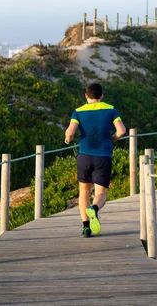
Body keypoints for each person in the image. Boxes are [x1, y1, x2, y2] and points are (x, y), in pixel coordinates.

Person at [64, 83, 126, 238]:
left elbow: (70, 133)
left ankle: (86, 228)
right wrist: (112, 139)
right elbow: (122, 131)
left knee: (84, 192)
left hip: (84, 155)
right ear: (102, 96)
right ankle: (95, 208)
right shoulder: (110, 109)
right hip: (103, 156)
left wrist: (67, 138)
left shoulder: (78, 111)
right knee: (101, 192)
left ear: (86, 96)